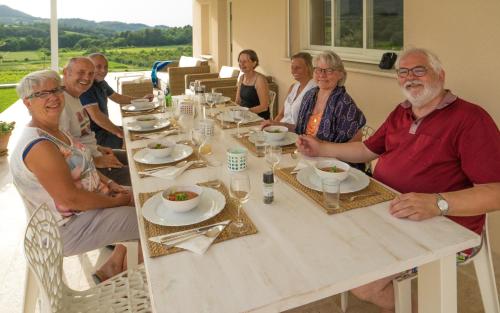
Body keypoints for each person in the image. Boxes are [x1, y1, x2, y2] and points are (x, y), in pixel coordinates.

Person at [296, 48, 500, 313]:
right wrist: (321, 148)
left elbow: (495, 192)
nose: (410, 78)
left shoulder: (470, 119)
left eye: (419, 70)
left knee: (364, 283)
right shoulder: (402, 112)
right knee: (325, 236)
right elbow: (367, 150)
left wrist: (437, 203)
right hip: (385, 207)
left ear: (440, 74)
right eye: (403, 72)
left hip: (442, 225)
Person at [10, 70, 142, 282]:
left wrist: (109, 182)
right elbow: (71, 199)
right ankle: (136, 289)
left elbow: (84, 165)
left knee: (147, 198)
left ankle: (115, 267)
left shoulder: (55, 131)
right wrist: (116, 201)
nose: (53, 97)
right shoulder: (39, 146)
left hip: (84, 213)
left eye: (56, 90)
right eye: (42, 94)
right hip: (66, 229)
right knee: (150, 221)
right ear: (27, 103)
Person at [59, 57, 131, 186]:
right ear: (66, 72)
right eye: (81, 72)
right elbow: (61, 151)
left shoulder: (76, 96)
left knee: (135, 156)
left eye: (90, 74)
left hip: (95, 152)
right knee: (141, 173)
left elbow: (79, 137)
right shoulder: (61, 105)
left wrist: (99, 148)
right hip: (88, 168)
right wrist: (96, 160)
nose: (87, 78)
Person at [295, 50, 367, 171]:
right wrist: (278, 124)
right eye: (318, 69)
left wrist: (322, 148)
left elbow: (356, 147)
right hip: (306, 158)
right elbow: (299, 130)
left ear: (340, 75)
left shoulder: (346, 105)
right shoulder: (309, 95)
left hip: (334, 167)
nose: (322, 75)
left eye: (329, 70)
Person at [80, 53, 153, 149]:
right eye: (98, 67)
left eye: (106, 67)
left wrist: (141, 100)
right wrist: (120, 132)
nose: (103, 70)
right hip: (97, 136)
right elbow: (96, 116)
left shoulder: (101, 82)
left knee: (144, 132)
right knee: (140, 143)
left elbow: (117, 97)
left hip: (106, 130)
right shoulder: (86, 88)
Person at [261, 52, 316, 130]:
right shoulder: (293, 87)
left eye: (298, 68)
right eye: (292, 67)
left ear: (308, 68)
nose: (293, 71)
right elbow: (281, 115)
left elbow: (308, 126)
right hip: (281, 130)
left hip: (296, 134)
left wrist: (277, 124)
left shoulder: (314, 90)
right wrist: (271, 127)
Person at [235, 49, 270, 119]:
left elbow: (264, 107)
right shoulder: (242, 77)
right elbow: (238, 101)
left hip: (258, 118)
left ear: (254, 63)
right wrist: (234, 112)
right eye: (240, 61)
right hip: (243, 116)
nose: (241, 64)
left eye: (245, 61)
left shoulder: (260, 80)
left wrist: (246, 112)